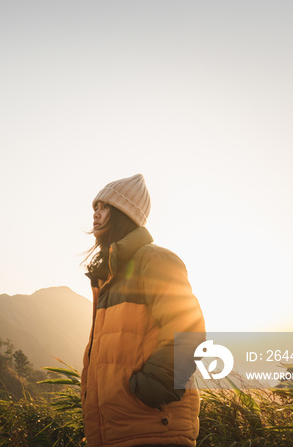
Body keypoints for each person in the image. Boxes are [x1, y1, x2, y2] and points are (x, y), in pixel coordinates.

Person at [81, 174, 206, 447]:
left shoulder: (156, 260)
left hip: (153, 427)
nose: (96, 214)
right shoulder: (109, 276)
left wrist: (153, 387)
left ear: (124, 212)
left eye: (104, 207)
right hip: (115, 432)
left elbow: (188, 327)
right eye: (95, 207)